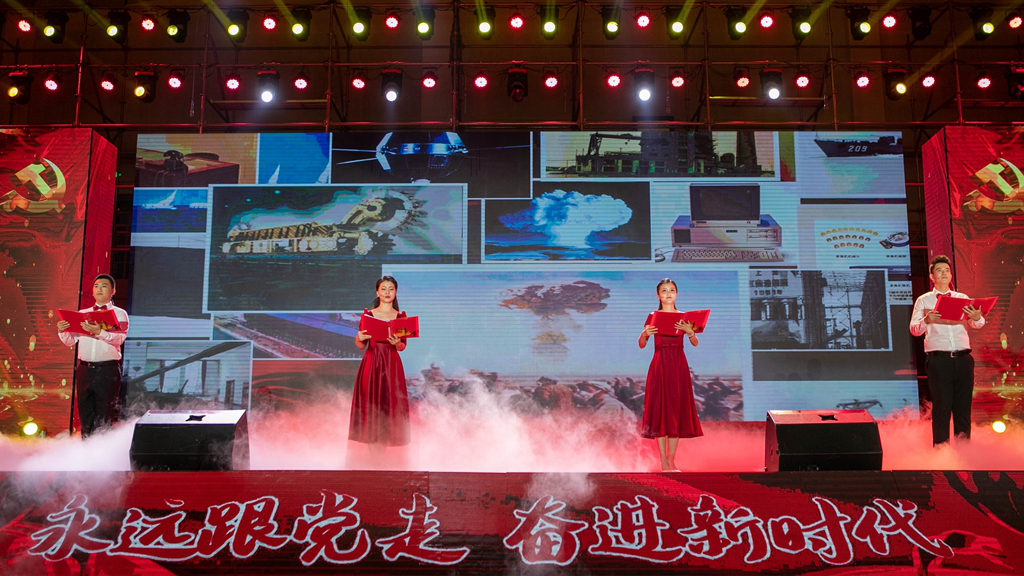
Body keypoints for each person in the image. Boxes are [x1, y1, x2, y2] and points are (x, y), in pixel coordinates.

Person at [910, 255, 985, 445]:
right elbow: (914, 330)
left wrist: (977, 317)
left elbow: (978, 324)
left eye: (946, 270)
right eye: (939, 271)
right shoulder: (924, 300)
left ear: (951, 275)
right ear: (932, 276)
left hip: (963, 358)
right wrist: (926, 320)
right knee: (942, 409)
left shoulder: (963, 298)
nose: (944, 274)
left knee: (963, 409)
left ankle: (963, 452)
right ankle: (942, 454)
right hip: (939, 361)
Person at [638, 278, 703, 472]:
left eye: (672, 290)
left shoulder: (684, 317)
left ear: (676, 294)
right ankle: (663, 461)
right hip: (660, 364)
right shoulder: (653, 316)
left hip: (678, 365)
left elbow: (695, 343)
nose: (668, 294)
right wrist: (645, 334)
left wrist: (690, 332)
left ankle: (672, 461)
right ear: (658, 295)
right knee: (661, 411)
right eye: (664, 291)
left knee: (675, 410)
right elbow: (641, 344)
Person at [57, 274, 129, 437]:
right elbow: (70, 341)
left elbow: (119, 338)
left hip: (107, 370)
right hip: (85, 369)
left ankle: (101, 450)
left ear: (113, 291)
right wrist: (62, 330)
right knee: (85, 412)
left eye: (104, 286)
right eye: (96, 286)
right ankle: (86, 448)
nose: (99, 289)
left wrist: (99, 332)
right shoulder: (82, 314)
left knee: (104, 414)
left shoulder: (119, 314)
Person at [349, 276, 411, 451]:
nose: (387, 292)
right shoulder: (368, 316)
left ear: (396, 292)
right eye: (383, 289)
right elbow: (361, 346)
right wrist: (358, 337)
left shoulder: (401, 317)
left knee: (389, 404)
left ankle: (386, 454)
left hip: (392, 364)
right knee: (371, 405)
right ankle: (373, 456)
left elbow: (402, 347)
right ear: (377, 292)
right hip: (372, 362)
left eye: (391, 289)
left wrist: (396, 343)